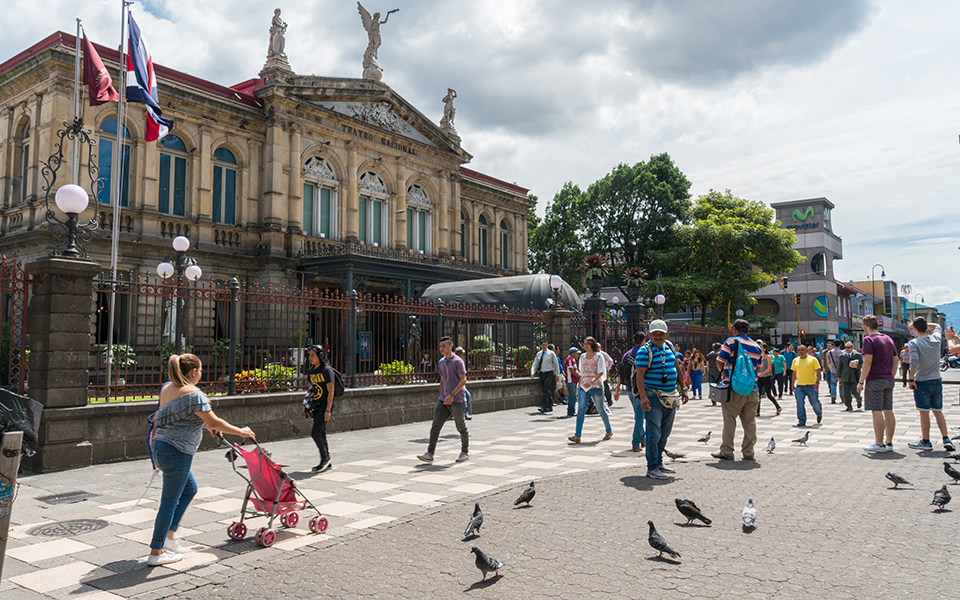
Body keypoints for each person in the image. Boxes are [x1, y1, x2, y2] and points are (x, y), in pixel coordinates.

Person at [148, 354, 255, 566]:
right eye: (201, 371)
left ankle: (169, 536)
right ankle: (156, 552)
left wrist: (207, 425)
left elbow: (178, 415)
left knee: (189, 489)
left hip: (161, 447)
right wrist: (241, 432)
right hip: (177, 451)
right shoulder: (194, 394)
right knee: (168, 502)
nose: (202, 374)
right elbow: (215, 420)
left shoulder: (167, 388)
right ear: (193, 372)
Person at [636, 320, 687, 478]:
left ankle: (658, 462)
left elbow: (677, 368)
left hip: (670, 395)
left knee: (665, 432)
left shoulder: (670, 347)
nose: (658, 336)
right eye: (655, 334)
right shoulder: (645, 350)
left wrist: (683, 388)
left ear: (666, 334)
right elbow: (640, 375)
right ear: (649, 334)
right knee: (654, 432)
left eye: (661, 334)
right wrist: (643, 397)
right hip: (653, 395)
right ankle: (652, 468)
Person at [712, 319, 762, 461]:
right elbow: (757, 368)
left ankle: (727, 451)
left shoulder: (731, 342)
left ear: (734, 330)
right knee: (750, 421)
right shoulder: (756, 346)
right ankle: (748, 452)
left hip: (733, 389)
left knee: (729, 419)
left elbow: (720, 361)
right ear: (747, 331)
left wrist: (724, 374)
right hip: (752, 389)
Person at [906, 318, 955, 452]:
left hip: (922, 381)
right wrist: (925, 324)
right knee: (938, 411)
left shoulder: (914, 343)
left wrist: (911, 379)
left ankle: (926, 441)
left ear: (914, 330)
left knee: (924, 412)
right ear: (927, 328)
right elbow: (938, 326)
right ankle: (946, 439)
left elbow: (914, 362)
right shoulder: (936, 339)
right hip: (937, 380)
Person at [418, 336, 469, 463]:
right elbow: (442, 380)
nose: (441, 349)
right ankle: (430, 453)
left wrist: (452, 394)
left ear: (451, 347)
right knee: (435, 426)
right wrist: (440, 396)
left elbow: (463, 380)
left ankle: (464, 452)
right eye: (440, 346)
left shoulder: (458, 361)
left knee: (460, 427)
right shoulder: (441, 362)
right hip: (443, 400)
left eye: (444, 346)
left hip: (457, 400)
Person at [858, 315, 899, 453]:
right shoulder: (888, 339)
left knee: (876, 411)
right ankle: (889, 442)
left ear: (866, 326)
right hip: (888, 379)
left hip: (875, 379)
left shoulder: (868, 340)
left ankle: (879, 443)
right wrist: (891, 375)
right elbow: (896, 359)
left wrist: (861, 381)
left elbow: (868, 361)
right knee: (888, 410)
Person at [568, 336, 613, 444]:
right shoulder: (582, 357)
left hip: (596, 386)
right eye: (584, 344)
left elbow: (601, 371)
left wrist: (592, 382)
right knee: (581, 409)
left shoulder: (598, 356)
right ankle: (577, 435)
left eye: (586, 344)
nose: (584, 346)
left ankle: (609, 430)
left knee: (601, 409)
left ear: (592, 345)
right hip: (584, 386)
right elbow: (581, 371)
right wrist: (581, 383)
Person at [303, 345, 336, 472]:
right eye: (309, 355)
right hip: (315, 405)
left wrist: (328, 410)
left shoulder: (327, 370)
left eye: (313, 355)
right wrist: (307, 408)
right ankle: (327, 461)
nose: (310, 358)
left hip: (324, 405)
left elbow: (331, 391)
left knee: (315, 432)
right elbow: (310, 390)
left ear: (320, 356)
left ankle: (325, 458)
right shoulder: (311, 371)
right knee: (321, 432)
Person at [614, 332, 647, 452]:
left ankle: (642, 439)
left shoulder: (627, 354)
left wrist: (617, 390)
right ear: (644, 340)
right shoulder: (645, 352)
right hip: (642, 390)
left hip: (629, 389)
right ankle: (635, 442)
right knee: (642, 416)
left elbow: (621, 373)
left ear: (634, 341)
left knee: (638, 415)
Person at [791, 345, 822, 427]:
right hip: (800, 386)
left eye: (802, 350)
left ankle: (819, 413)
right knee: (799, 403)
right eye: (799, 350)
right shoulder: (795, 360)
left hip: (811, 385)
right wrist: (792, 384)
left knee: (814, 402)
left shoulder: (813, 359)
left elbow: (818, 371)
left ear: (806, 351)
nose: (801, 351)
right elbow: (794, 373)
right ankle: (802, 420)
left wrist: (817, 382)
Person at [531, 341, 561, 413]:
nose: (545, 346)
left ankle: (543, 406)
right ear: (541, 345)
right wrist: (533, 372)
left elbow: (556, 364)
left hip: (549, 373)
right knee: (545, 390)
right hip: (542, 373)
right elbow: (535, 363)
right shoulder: (539, 354)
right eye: (543, 345)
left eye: (546, 345)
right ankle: (550, 405)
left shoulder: (551, 354)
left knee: (546, 388)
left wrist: (557, 374)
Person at [755, 342, 782, 416]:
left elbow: (769, 368)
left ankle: (778, 407)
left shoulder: (768, 357)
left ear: (764, 348)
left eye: (761, 347)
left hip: (766, 377)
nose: (759, 348)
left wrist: (761, 374)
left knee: (769, 395)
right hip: (759, 378)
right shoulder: (759, 356)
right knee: (758, 395)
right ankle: (757, 411)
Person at [838, 341, 863, 411]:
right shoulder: (842, 356)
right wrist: (839, 376)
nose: (846, 349)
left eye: (848, 347)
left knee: (855, 391)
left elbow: (862, 365)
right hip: (845, 376)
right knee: (846, 392)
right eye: (845, 347)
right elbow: (840, 367)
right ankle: (849, 405)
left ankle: (859, 399)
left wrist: (857, 366)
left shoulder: (858, 355)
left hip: (854, 376)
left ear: (852, 348)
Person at [454, 347, 472, 420]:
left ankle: (463, 412)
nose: (462, 355)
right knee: (467, 396)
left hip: (459, 382)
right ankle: (464, 413)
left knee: (465, 396)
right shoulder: (456, 361)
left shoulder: (458, 361)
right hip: (457, 382)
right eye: (461, 353)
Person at [563, 347, 581, 417]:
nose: (578, 355)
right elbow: (572, 370)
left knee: (573, 396)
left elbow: (576, 369)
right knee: (572, 396)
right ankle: (571, 411)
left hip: (574, 380)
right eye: (577, 353)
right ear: (573, 353)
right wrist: (578, 375)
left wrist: (579, 374)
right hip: (570, 380)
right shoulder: (569, 360)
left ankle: (572, 410)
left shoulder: (573, 359)